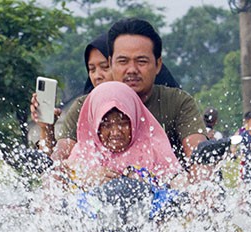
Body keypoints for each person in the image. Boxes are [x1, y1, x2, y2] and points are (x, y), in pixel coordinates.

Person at [53, 19, 207, 174]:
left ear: (158, 64)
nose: (132, 70)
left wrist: (195, 184)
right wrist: (86, 178)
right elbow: (60, 160)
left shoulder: (178, 102)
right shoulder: (86, 106)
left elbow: (198, 155)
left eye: (141, 61)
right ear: (111, 63)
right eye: (123, 61)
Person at [31, 31, 181, 153]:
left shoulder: (170, 103)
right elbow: (59, 164)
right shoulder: (83, 108)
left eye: (104, 67)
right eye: (92, 69)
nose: (97, 76)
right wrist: (46, 129)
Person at [65, 81, 182, 189]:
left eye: (123, 123)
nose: (116, 132)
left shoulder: (155, 150)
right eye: (106, 125)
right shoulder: (83, 153)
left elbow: (180, 188)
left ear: (135, 121)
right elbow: (67, 188)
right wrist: (90, 179)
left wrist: (147, 182)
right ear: (95, 125)